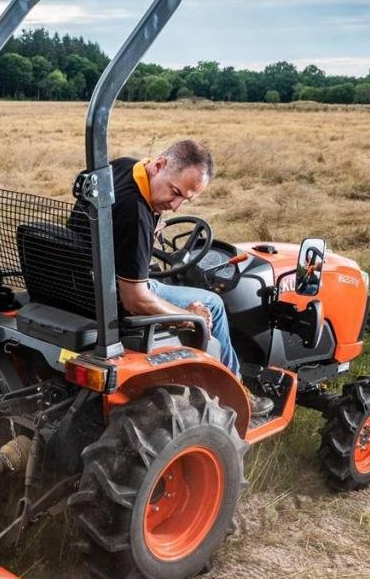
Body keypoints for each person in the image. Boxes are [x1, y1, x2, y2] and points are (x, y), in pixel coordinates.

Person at [82, 140, 271, 416]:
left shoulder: (120, 168)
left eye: (186, 200)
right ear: (159, 165)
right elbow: (135, 299)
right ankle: (235, 389)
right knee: (213, 304)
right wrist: (183, 314)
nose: (176, 206)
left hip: (90, 278)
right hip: (117, 296)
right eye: (175, 192)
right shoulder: (135, 213)